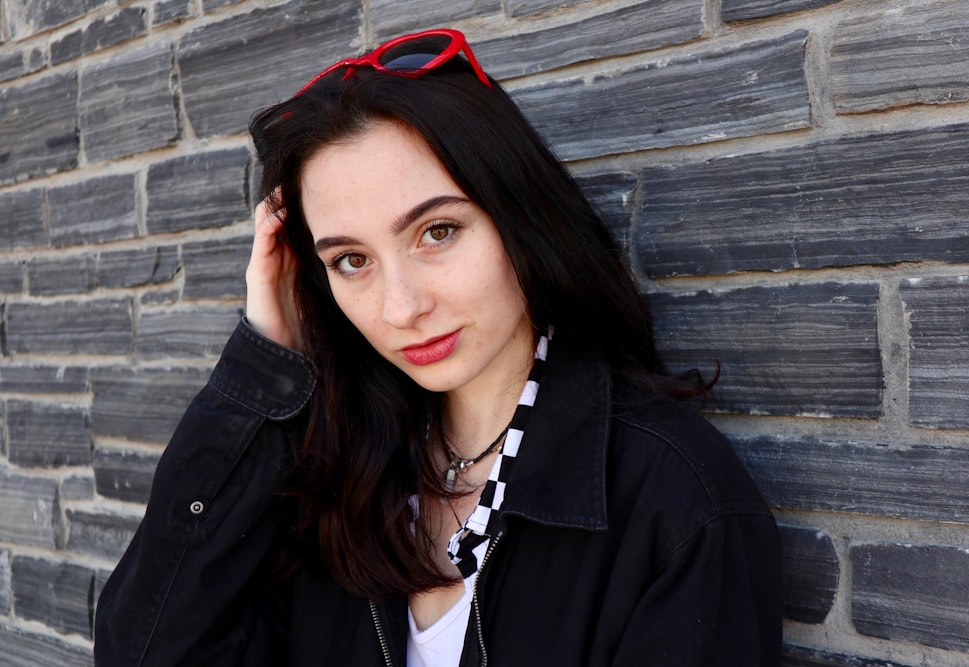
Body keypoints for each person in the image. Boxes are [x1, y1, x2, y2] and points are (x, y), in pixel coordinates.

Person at [94, 28, 782, 666]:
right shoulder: (331, 480)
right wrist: (262, 368)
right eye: (351, 261)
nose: (402, 307)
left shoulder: (674, 501)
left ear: (519, 217)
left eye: (438, 231)